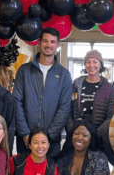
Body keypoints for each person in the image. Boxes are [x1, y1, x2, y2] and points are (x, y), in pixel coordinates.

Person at [13, 27, 72, 157]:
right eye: (45, 41)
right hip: (26, 139)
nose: (48, 45)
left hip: (51, 142)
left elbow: (64, 107)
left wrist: (48, 137)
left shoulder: (64, 75)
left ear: (57, 45)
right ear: (39, 43)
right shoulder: (24, 71)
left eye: (52, 42)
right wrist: (25, 133)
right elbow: (16, 102)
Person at [66, 50, 114, 132]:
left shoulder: (109, 88)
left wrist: (97, 134)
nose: (91, 65)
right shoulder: (75, 86)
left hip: (99, 136)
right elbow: (67, 111)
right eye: (88, 62)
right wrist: (72, 130)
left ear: (100, 65)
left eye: (95, 62)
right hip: (77, 134)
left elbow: (111, 115)